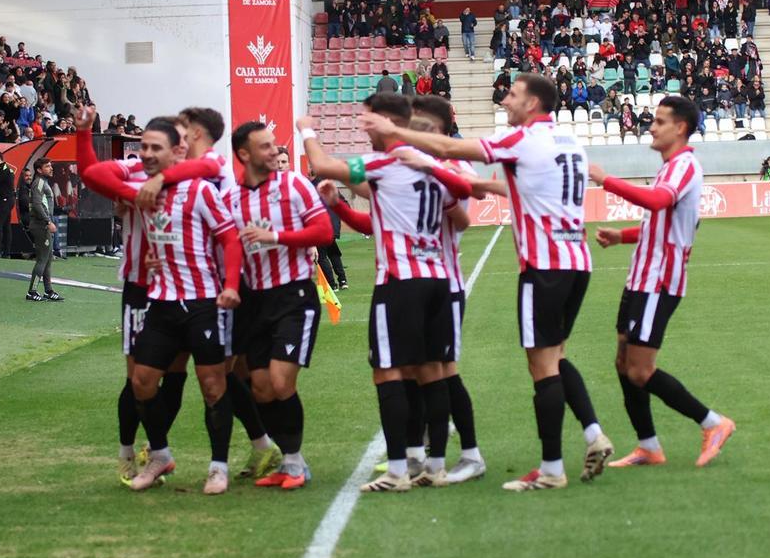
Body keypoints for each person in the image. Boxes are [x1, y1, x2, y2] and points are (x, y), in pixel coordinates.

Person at [359, 75, 613, 491]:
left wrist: (396, 134)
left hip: (541, 265)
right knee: (555, 357)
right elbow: (513, 186)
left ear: (532, 103)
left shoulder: (520, 140)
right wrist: (471, 183)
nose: (505, 99)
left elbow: (452, 149)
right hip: (575, 260)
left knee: (540, 366)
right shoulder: (568, 142)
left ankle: (550, 470)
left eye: (512, 94)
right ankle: (590, 434)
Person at [302, 93, 475, 492]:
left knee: (388, 373)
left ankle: (398, 470)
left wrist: (305, 128)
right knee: (432, 371)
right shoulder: (434, 166)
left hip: (400, 281)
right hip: (438, 278)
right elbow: (461, 214)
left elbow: (324, 164)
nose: (364, 127)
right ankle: (429, 463)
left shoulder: (386, 163)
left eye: (368, 121)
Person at [81, 116, 244, 492]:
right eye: (145, 147)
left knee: (213, 385)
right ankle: (160, 454)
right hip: (160, 302)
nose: (148, 154)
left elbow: (230, 238)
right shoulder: (139, 190)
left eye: (157, 148)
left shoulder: (201, 190)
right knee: (141, 381)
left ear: (177, 151)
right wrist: (83, 131)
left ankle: (219, 466)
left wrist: (232, 286)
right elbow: (91, 174)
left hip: (202, 300)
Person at [586, 96, 736, 469]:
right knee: (623, 363)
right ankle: (649, 447)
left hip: (660, 280)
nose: (651, 127)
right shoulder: (670, 167)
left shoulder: (685, 166)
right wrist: (623, 236)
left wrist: (606, 180)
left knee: (640, 369)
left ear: (680, 127)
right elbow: (663, 221)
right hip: (640, 276)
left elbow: (656, 203)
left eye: (659, 121)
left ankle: (713, 423)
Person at [226, 122, 335, 490]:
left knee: (279, 381)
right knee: (260, 388)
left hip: (294, 294)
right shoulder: (231, 198)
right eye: (266, 146)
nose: (275, 151)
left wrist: (275, 236)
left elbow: (324, 233)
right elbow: (225, 247)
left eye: (275, 145)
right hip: (255, 300)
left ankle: (293, 463)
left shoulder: (294, 185)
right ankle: (291, 460)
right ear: (244, 154)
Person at [26, 159, 61, 302]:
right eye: (47, 166)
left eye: (51, 166)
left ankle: (48, 290)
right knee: (42, 259)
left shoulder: (43, 182)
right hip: (41, 225)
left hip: (43, 224)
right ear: (39, 170)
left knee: (47, 259)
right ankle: (32, 292)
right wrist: (48, 221)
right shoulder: (39, 183)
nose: (51, 168)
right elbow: (37, 204)